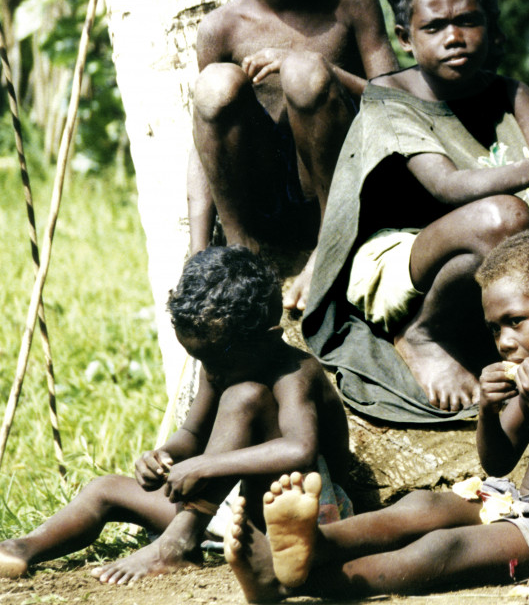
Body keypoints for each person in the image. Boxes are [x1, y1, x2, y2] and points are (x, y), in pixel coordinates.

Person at [224, 229, 529, 600]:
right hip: (517, 504)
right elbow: (497, 462)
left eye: (515, 321)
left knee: (444, 548)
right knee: (421, 506)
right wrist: (487, 409)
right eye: (495, 328)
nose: (504, 341)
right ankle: (314, 544)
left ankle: (290, 584)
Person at [302, 0, 529, 424]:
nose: (454, 37)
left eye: (467, 21)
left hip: (496, 255)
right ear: (405, 37)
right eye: (435, 27)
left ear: (489, 24)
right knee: (503, 215)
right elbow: (445, 185)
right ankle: (422, 334)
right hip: (403, 260)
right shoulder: (390, 95)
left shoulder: (510, 93)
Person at [0, 246, 351, 585]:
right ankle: (22, 549)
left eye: (218, 360)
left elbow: (299, 449)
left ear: (270, 337)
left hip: (296, 515)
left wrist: (203, 466)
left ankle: (178, 543)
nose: (210, 371)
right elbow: (193, 436)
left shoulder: (295, 372)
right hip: (225, 508)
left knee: (245, 397)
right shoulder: (219, 364)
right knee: (103, 489)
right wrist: (164, 456)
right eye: (200, 359)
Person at [188, 0, 399, 312]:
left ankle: (329, 248)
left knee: (304, 72)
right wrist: (199, 253)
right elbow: (204, 143)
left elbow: (401, 105)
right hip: (266, 204)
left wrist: (312, 66)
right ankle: (243, 251)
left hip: (342, 192)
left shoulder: (351, 0)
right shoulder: (222, 29)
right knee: (215, 85)